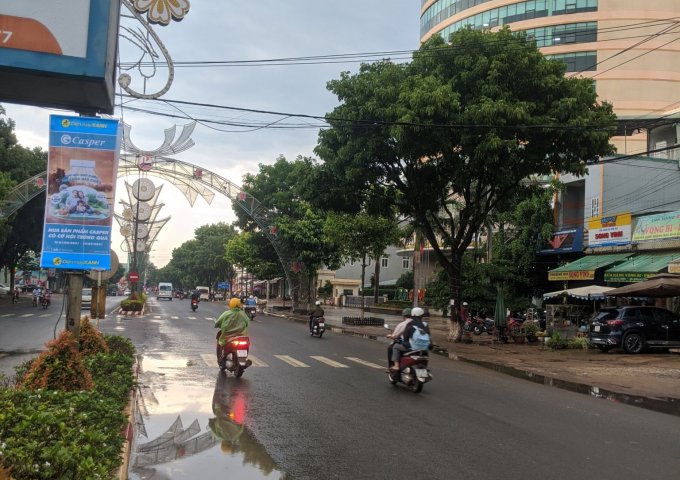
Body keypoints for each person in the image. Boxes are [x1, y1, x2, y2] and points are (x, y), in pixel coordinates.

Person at [390, 307, 431, 371]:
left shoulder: (410, 324)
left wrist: (405, 342)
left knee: (396, 347)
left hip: (413, 347)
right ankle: (425, 367)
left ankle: (396, 366)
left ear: (413, 314)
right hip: (424, 348)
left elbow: (406, 337)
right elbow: (429, 335)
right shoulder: (425, 324)